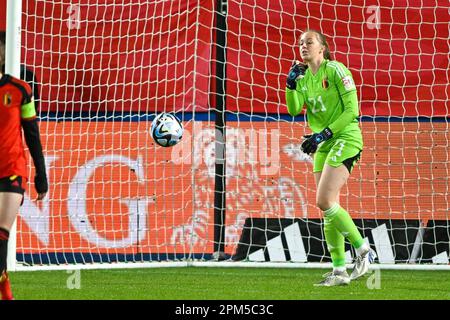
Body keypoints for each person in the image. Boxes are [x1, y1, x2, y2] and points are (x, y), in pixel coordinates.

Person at [285, 30, 376, 286]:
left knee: (324, 199)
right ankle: (339, 271)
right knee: (327, 207)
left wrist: (322, 134)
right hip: (323, 143)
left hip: (345, 137)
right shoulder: (303, 78)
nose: (303, 46)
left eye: (309, 42)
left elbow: (351, 111)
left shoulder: (336, 70)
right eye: (301, 43)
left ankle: (363, 249)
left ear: (322, 48)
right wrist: (290, 85)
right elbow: (293, 108)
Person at [0, 31, 48, 300]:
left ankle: (5, 294)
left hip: (11, 170)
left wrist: (41, 175)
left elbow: (32, 134)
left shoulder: (20, 90)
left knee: (1, 232)